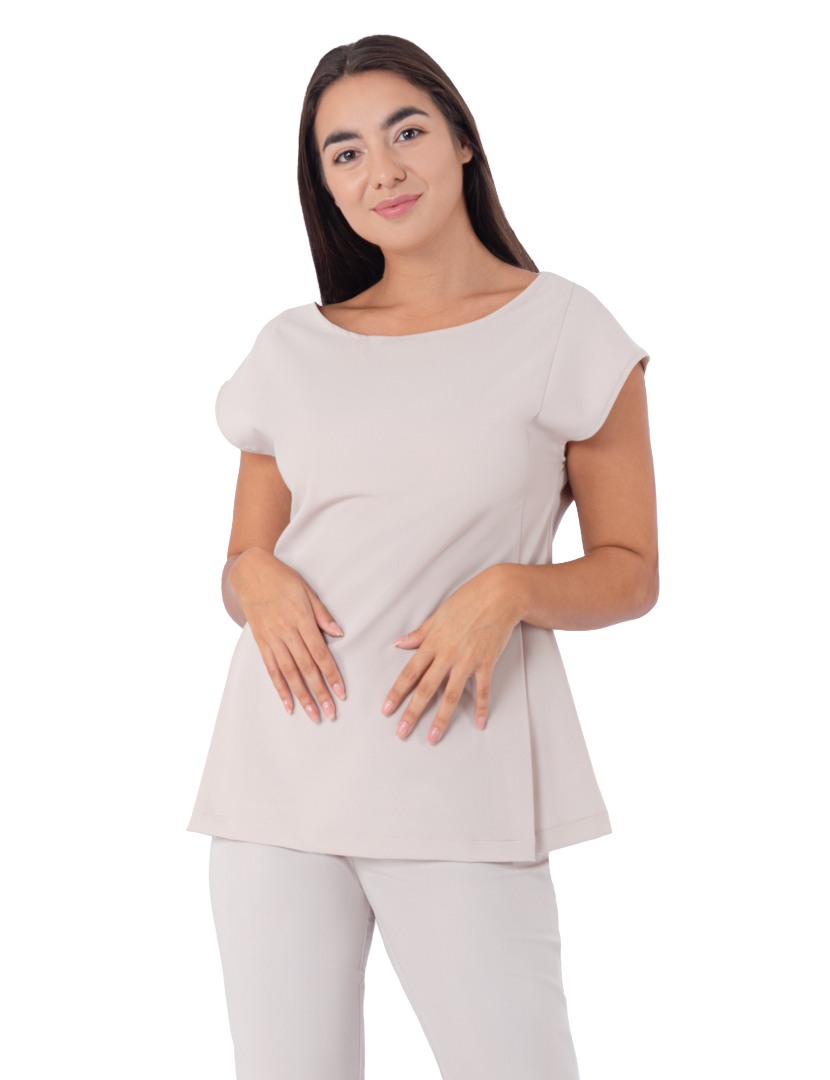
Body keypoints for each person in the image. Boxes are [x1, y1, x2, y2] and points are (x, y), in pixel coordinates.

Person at [186, 33, 658, 1080]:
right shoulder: (290, 347)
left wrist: (510, 589)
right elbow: (243, 563)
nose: (382, 170)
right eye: (345, 152)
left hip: (459, 777)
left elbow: (630, 569)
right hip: (275, 781)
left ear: (461, 142)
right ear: (324, 185)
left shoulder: (563, 329)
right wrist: (250, 577)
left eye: (406, 132)